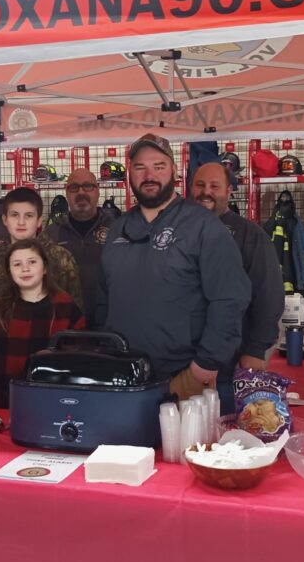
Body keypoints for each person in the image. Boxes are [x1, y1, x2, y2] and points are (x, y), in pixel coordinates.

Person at [98, 134, 251, 401]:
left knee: (181, 445)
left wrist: (205, 365)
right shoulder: (117, 229)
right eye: (140, 167)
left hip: (183, 378)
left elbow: (229, 299)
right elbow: (104, 299)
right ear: (130, 174)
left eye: (159, 166)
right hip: (123, 377)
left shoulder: (203, 226)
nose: (149, 175)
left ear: (174, 171)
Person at [191, 163, 283, 370]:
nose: (206, 192)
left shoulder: (250, 235)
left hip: (233, 359)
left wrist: (256, 349)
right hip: (183, 357)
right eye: (200, 185)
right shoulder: (178, 231)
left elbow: (268, 294)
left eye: (215, 186)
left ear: (228, 191)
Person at [0, 239, 85, 409]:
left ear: (45, 267)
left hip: (53, 400)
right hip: (4, 399)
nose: (25, 269)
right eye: (17, 264)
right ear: (9, 271)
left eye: (32, 262)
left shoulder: (66, 307)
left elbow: (78, 362)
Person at [0, 187, 83, 306]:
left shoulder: (61, 258)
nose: (21, 222)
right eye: (15, 215)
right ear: (5, 220)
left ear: (39, 221)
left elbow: (75, 307)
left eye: (29, 215)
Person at [44, 169, 114, 326]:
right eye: (74, 187)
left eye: (88, 186)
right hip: (63, 326)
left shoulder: (118, 231)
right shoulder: (50, 235)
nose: (81, 192)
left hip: (108, 325)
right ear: (66, 192)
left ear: (98, 190)